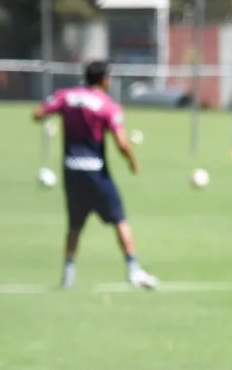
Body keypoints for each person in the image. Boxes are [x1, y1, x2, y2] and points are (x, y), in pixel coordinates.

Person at [33, 60, 158, 290]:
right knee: (119, 219)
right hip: (95, 170)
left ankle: (68, 274)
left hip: (71, 169)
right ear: (104, 80)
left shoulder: (66, 96)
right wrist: (132, 160)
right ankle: (133, 269)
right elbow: (121, 142)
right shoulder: (108, 105)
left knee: (75, 224)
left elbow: (38, 114)